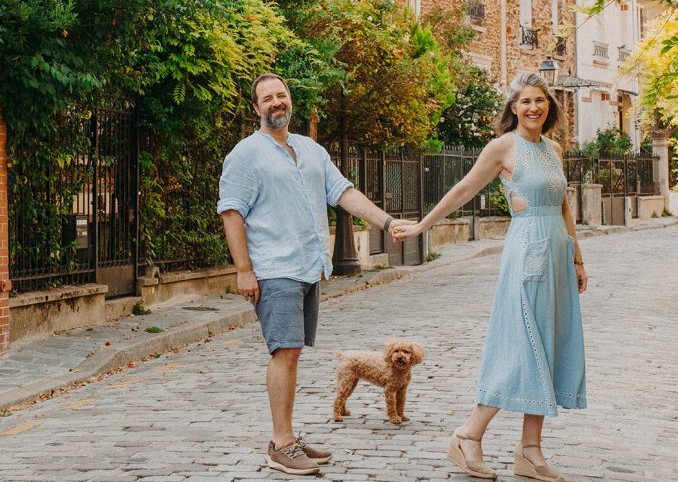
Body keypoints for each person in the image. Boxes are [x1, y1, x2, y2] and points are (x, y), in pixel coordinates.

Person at [394, 72, 587, 482]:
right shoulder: (502, 147)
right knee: (521, 347)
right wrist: (422, 226)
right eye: (525, 101)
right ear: (513, 107)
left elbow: (564, 204)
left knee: (548, 345)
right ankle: (468, 434)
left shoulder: (553, 149)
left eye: (540, 100)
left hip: (556, 252)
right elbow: (464, 189)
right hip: (527, 251)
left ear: (549, 106)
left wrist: (577, 257)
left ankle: (530, 451)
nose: (533, 107)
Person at [218, 73, 412, 476]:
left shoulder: (310, 150)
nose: (276, 102)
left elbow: (343, 192)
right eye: (267, 98)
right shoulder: (246, 154)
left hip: (308, 266)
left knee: (293, 352)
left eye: (281, 95)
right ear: (256, 108)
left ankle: (287, 436)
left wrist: (386, 220)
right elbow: (231, 210)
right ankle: (281, 443)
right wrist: (244, 270)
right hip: (274, 268)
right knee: (283, 351)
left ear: (290, 101)